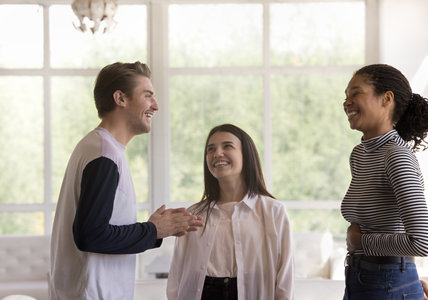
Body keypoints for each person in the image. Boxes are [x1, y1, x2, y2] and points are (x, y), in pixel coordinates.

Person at [49, 61, 204, 300]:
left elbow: (97, 230)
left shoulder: (102, 149)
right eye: (148, 95)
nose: (156, 105)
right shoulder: (104, 155)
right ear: (120, 98)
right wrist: (154, 230)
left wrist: (154, 231)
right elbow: (90, 236)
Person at [341, 64, 428, 299]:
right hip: (363, 279)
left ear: (386, 99)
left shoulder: (396, 156)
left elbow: (421, 242)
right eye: (345, 96)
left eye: (355, 93)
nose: (346, 102)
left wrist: (362, 242)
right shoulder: (360, 154)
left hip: (386, 282)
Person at [167, 124, 294, 300]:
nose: (217, 153)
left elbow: (285, 275)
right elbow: (177, 273)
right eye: (211, 149)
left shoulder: (273, 211)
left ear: (246, 155)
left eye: (227, 146)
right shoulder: (194, 214)